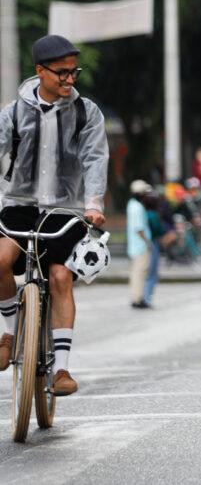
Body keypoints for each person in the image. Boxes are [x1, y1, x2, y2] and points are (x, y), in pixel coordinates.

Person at [0, 34, 108, 396]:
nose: (69, 79)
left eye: (73, 72)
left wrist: (94, 204)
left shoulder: (86, 112)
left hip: (65, 209)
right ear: (40, 71)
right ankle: (8, 331)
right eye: (61, 72)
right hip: (17, 204)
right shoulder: (13, 113)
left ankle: (61, 370)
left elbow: (95, 158)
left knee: (61, 276)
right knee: (0, 261)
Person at [127, 180, 153, 309]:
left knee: (136, 272)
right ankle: (137, 299)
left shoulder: (132, 204)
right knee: (139, 272)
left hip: (134, 245)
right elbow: (139, 228)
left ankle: (136, 297)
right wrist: (147, 242)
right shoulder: (137, 207)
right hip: (140, 245)